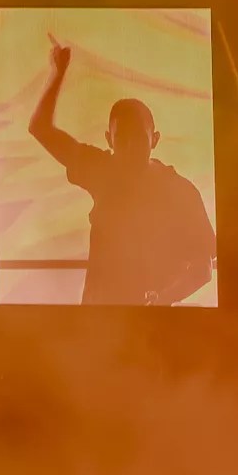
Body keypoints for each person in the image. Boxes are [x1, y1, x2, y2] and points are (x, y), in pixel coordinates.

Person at [27, 38, 217, 306]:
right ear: (109, 139)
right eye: (122, 139)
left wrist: (162, 301)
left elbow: (203, 268)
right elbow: (40, 128)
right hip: (97, 318)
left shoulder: (181, 191)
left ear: (155, 139)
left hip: (150, 326)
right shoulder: (101, 170)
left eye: (138, 138)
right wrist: (58, 74)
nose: (130, 148)